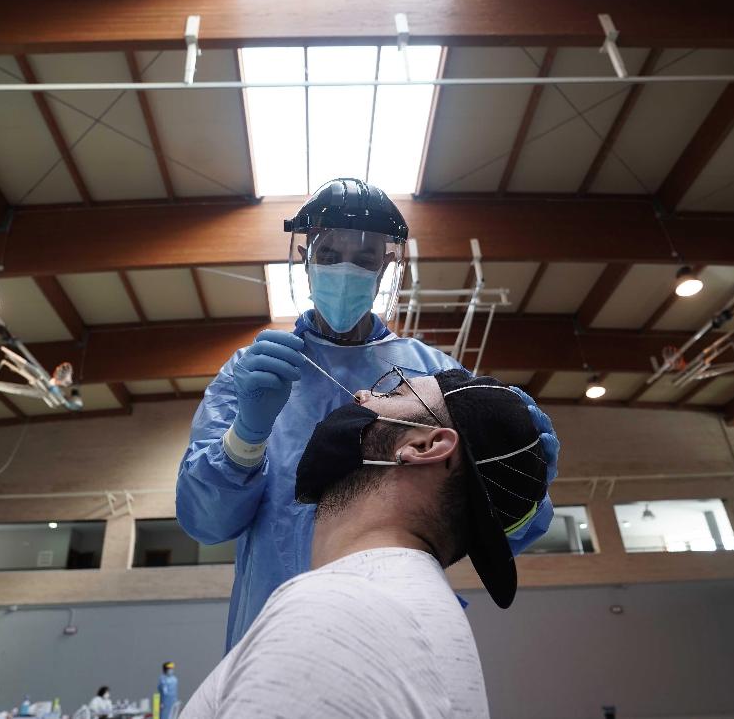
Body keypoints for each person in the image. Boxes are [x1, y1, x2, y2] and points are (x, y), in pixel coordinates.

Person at [177, 178, 560, 648]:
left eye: (364, 260)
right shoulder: (255, 371)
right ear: (304, 259)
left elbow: (495, 527)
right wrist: (245, 437)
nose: (345, 269)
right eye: (329, 254)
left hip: (392, 617)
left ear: (387, 267)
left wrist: (523, 478)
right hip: (277, 623)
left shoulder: (433, 374)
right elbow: (206, 522)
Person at [182, 368, 550, 717]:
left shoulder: (341, 617)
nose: (361, 394)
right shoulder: (396, 606)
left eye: (393, 391)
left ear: (424, 446)